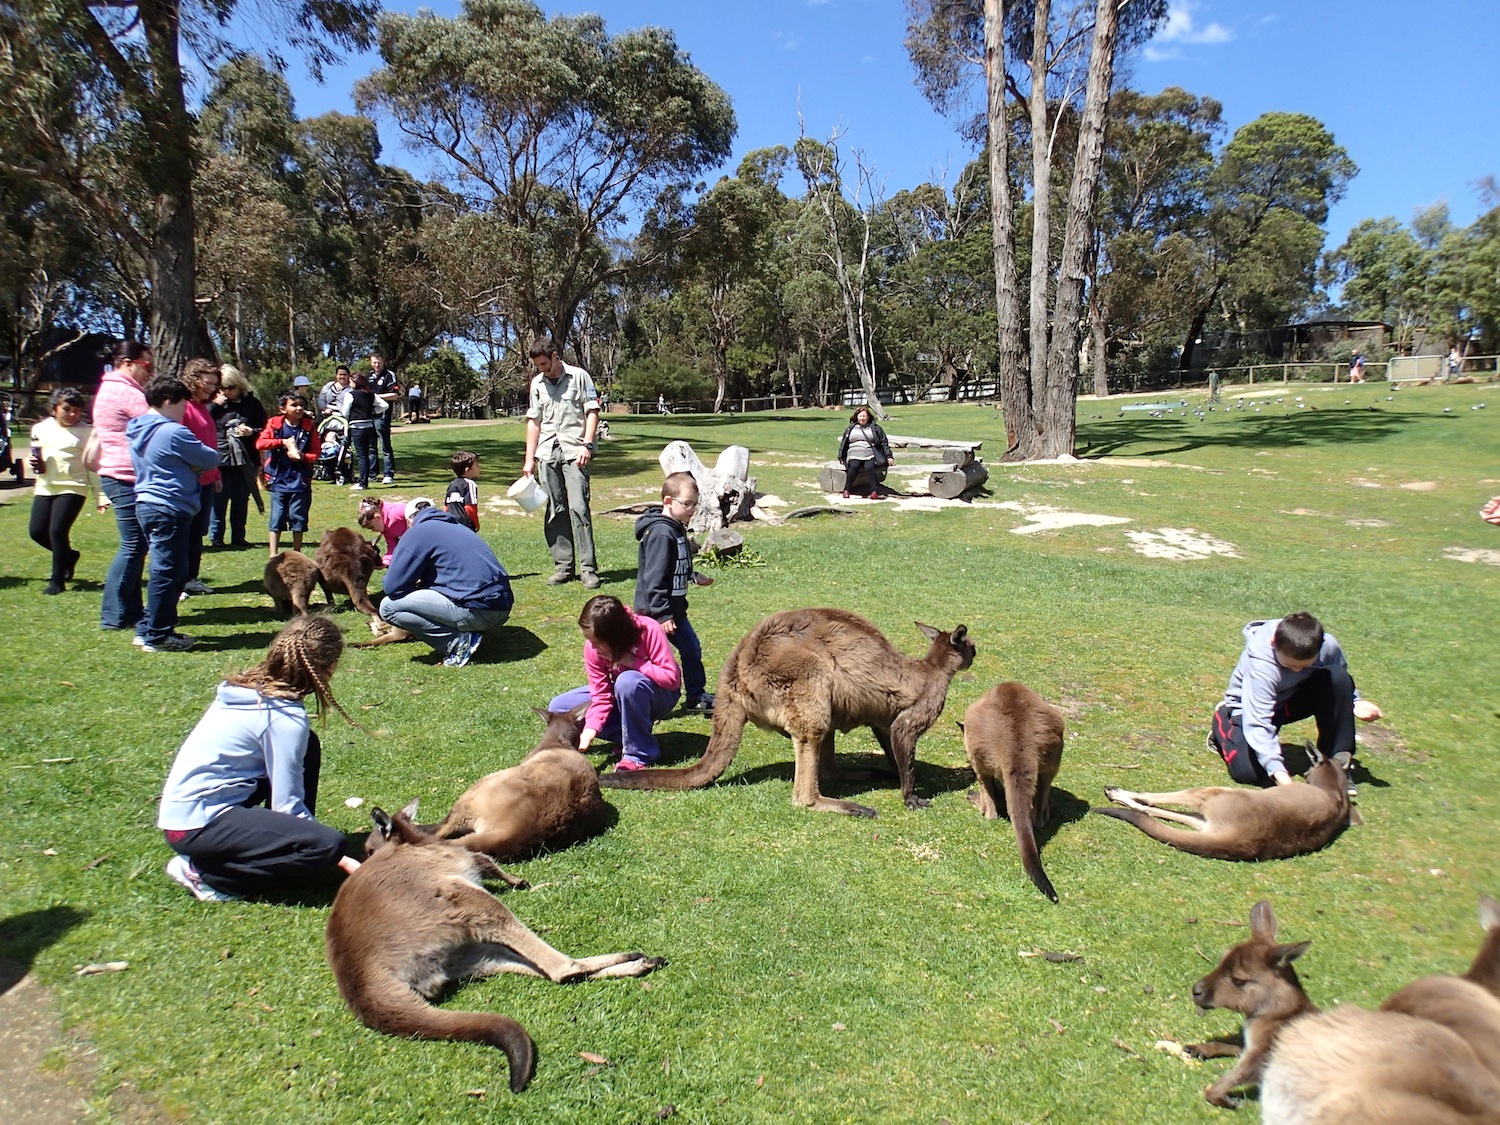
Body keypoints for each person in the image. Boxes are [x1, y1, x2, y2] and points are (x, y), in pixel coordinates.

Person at [157, 615, 362, 901]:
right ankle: (207, 876)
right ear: (329, 668)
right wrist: (340, 859)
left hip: (186, 813)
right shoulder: (285, 720)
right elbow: (286, 807)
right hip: (196, 828)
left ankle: (291, 841)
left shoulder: (247, 686)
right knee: (327, 847)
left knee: (309, 746)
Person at [1207, 612, 1383, 793]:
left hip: (1289, 702)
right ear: (1273, 643)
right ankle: (1222, 720)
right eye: (1289, 666)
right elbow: (1259, 722)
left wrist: (1354, 702)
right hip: (1250, 710)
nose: (1297, 670)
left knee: (1336, 676)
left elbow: (1339, 681)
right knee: (1248, 773)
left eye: (1305, 666)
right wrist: (1284, 781)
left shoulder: (1328, 645)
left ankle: (1335, 766)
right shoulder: (1261, 664)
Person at [127, 374, 221, 652]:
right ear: (168, 401)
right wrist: (193, 465)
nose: (184, 411)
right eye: (181, 405)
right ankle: (157, 635)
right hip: (170, 505)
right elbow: (210, 457)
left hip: (146, 503)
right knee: (169, 572)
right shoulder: (172, 431)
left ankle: (148, 628)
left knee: (168, 570)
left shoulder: (136, 428)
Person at [548, 595, 681, 771]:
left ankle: (639, 752)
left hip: (660, 695)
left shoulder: (649, 629)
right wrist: (589, 731)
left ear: (615, 636)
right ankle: (625, 736)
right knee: (560, 707)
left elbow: (671, 679)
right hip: (621, 695)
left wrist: (633, 662)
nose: (592, 647)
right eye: (589, 640)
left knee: (627, 682)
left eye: (597, 642)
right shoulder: (593, 650)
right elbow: (601, 696)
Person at [377, 505, 514, 667]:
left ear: (409, 521)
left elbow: (392, 586)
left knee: (388, 607)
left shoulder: (418, 532)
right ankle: (470, 631)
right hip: (502, 607)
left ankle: (456, 643)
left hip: (478, 610)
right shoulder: (458, 527)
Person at [522, 339, 602, 588]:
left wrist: (587, 444)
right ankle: (564, 567)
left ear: (555, 356)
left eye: (544, 363)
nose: (541, 369)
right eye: (537, 365)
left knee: (579, 508)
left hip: (575, 450)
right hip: (547, 452)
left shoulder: (579, 376)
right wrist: (529, 459)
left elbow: (592, 411)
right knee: (555, 510)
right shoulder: (537, 384)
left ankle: (588, 569)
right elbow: (534, 422)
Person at [634, 471, 715, 713]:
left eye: (694, 505)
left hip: (675, 611)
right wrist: (662, 614)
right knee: (654, 660)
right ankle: (645, 701)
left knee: (692, 649)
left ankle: (695, 697)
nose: (692, 509)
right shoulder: (661, 533)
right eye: (687, 504)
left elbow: (675, 563)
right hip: (656, 613)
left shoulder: (676, 527)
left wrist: (692, 575)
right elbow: (654, 577)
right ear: (668, 501)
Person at [94, 340, 152, 632]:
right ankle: (114, 614)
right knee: (132, 546)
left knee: (137, 545)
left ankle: (130, 610)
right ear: (128, 363)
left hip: (122, 475)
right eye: (147, 366)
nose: (149, 373)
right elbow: (154, 424)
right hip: (124, 476)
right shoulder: (125, 392)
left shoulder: (111, 388)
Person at [28, 388, 94, 595]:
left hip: (73, 486)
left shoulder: (87, 432)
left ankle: (57, 581)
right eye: (67, 409)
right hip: (46, 486)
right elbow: (36, 456)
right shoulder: (40, 429)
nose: (72, 414)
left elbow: (93, 466)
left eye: (77, 410)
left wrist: (101, 495)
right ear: (54, 408)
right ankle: (69, 555)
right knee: (37, 532)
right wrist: (34, 463)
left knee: (57, 530)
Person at [255, 390, 320, 558]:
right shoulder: (274, 424)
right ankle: (273, 554)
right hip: (278, 479)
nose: (299, 408)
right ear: (282, 409)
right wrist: (282, 442)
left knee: (298, 517)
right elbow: (261, 443)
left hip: (301, 480)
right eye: (294, 405)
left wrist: (302, 457)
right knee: (277, 516)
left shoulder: (308, 427)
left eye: (301, 405)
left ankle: (297, 553)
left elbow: (316, 453)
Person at [209, 364, 268, 549]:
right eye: (222, 388)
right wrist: (214, 405)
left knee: (241, 498)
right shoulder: (214, 404)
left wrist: (251, 432)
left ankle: (238, 537)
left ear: (239, 385)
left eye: (230, 388)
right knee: (219, 498)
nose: (226, 392)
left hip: (245, 458)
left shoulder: (252, 404)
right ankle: (216, 538)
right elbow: (202, 425)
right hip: (221, 457)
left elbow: (264, 429)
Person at [180, 359, 224, 598]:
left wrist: (215, 474)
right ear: (193, 379)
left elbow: (210, 444)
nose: (210, 388)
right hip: (189, 480)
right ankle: (179, 581)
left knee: (198, 532)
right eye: (207, 382)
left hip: (206, 480)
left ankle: (191, 579)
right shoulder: (183, 407)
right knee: (184, 533)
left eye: (213, 384)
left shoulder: (202, 408)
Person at [837, 403, 895, 499]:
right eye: (860, 416)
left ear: (868, 417)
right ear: (857, 417)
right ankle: (847, 489)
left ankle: (874, 491)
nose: (862, 418)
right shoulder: (850, 428)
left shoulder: (875, 428)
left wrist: (889, 456)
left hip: (869, 454)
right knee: (854, 466)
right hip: (853, 453)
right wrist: (841, 456)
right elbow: (844, 443)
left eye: (864, 416)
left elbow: (884, 442)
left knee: (869, 467)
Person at [357, 495, 433, 567]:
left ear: (377, 517)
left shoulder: (396, 512)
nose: (373, 531)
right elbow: (392, 546)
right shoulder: (386, 529)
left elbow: (418, 514)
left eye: (372, 527)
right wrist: (386, 562)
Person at [339, 373, 379, 491]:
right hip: (370, 427)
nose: (349, 383)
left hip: (357, 427)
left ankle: (362, 483)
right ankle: (365, 480)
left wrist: (351, 415)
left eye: (351, 381)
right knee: (367, 454)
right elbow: (384, 405)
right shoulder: (371, 394)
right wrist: (374, 412)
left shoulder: (350, 394)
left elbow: (345, 412)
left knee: (362, 456)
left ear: (356, 382)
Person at [368, 351, 399, 483]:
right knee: (371, 446)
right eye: (374, 362)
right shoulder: (368, 376)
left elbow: (394, 395)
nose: (377, 365)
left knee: (385, 446)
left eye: (379, 362)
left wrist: (375, 397)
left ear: (383, 361)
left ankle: (388, 474)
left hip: (383, 416)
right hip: (369, 415)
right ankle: (372, 474)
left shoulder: (389, 375)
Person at [444, 449, 481, 530]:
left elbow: (446, 507)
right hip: (465, 525)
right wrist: (476, 524)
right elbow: (470, 508)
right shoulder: (470, 484)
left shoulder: (452, 484)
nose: (479, 467)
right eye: (477, 465)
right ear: (468, 470)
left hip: (450, 523)